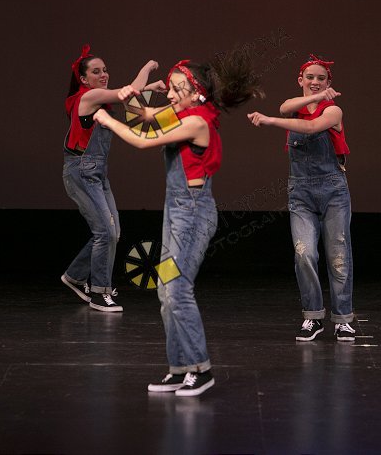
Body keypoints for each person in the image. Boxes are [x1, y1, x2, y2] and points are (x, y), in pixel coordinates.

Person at [93, 51, 262, 396]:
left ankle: (201, 369)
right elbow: (143, 118)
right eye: (169, 88)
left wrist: (107, 120)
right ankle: (180, 367)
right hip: (176, 212)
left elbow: (142, 140)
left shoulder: (196, 122)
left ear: (196, 92)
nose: (169, 94)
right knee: (165, 289)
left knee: (178, 289)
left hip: (193, 214)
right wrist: (133, 95)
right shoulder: (182, 113)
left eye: (176, 89)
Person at [247, 54, 356, 342]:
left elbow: (311, 127)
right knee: (304, 253)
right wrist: (311, 98)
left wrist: (270, 120)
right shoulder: (291, 107)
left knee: (338, 256)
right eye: (310, 77)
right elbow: (285, 107)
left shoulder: (333, 111)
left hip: (333, 190)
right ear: (300, 80)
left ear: (329, 83)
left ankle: (343, 319)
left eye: (321, 78)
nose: (315, 82)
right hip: (301, 191)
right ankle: (313, 316)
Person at [60, 44, 162, 313]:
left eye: (105, 70)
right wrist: (148, 66)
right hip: (82, 171)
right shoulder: (89, 96)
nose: (103, 74)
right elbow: (129, 91)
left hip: (95, 173)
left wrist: (151, 88)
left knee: (112, 233)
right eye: (96, 71)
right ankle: (99, 293)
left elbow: (128, 98)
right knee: (104, 233)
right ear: (84, 79)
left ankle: (75, 276)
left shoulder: (98, 99)